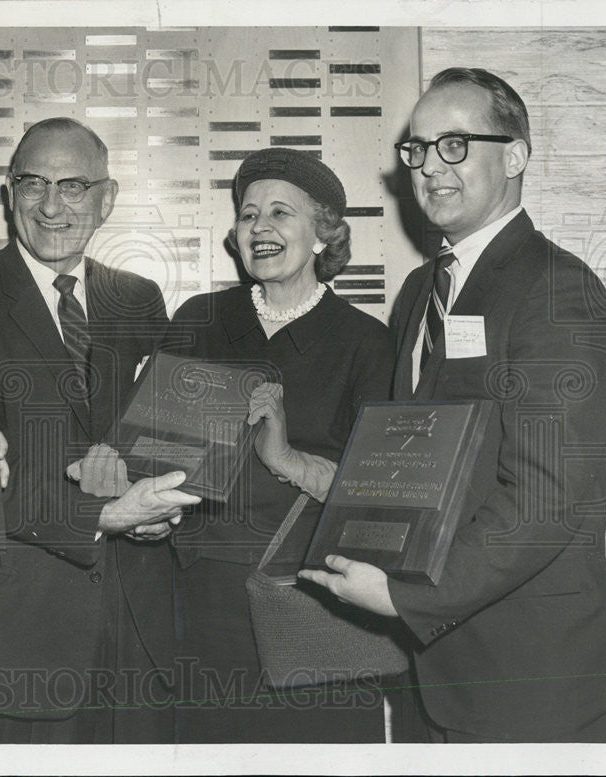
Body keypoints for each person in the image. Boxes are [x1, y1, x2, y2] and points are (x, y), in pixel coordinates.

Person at [301, 68, 606, 743]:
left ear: (515, 155)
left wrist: (403, 596)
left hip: (526, 676)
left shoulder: (558, 290)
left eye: (454, 145)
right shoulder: (419, 290)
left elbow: (545, 496)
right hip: (426, 673)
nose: (428, 168)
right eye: (417, 149)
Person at [0, 117, 199, 743]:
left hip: (140, 631)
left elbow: (160, 437)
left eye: (74, 186)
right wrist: (105, 512)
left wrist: (162, 510)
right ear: (9, 194)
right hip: (21, 635)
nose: (52, 205)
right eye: (33, 184)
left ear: (107, 198)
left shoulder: (140, 298)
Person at [156, 147, 399, 742]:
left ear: (323, 234)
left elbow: (383, 500)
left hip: (311, 598)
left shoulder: (366, 342)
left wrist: (285, 458)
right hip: (200, 597)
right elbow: (158, 453)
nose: (259, 227)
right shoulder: (198, 319)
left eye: (280, 213)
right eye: (247, 214)